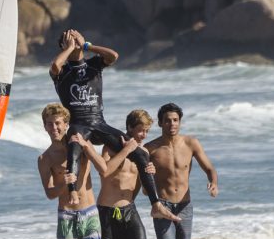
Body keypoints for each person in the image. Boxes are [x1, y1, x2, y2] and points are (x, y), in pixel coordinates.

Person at [50, 29, 179, 222]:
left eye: (77, 35)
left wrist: (87, 46)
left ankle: (156, 205)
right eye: (70, 37)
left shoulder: (94, 64)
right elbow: (55, 65)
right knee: (74, 145)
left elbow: (113, 56)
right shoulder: (62, 72)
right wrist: (69, 48)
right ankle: (73, 191)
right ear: (63, 45)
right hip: (79, 123)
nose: (75, 38)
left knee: (139, 153)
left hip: (99, 122)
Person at [144, 103, 218, 239]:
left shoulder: (191, 143)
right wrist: (147, 174)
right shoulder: (150, 149)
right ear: (160, 123)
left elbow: (209, 168)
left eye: (175, 120)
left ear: (180, 122)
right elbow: (141, 186)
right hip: (163, 206)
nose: (171, 124)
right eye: (167, 120)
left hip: (185, 205)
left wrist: (213, 183)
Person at [37, 102, 107, 239]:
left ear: (66, 124)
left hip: (89, 212)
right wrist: (63, 184)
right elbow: (49, 193)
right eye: (49, 124)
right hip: (66, 215)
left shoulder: (78, 144)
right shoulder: (45, 158)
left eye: (58, 123)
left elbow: (102, 168)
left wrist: (86, 146)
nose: (54, 127)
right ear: (45, 127)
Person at [91, 110, 161, 239]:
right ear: (129, 128)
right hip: (107, 210)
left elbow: (144, 191)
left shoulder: (143, 153)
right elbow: (105, 171)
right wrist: (127, 150)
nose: (143, 135)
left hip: (129, 209)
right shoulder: (110, 147)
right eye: (140, 130)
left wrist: (151, 173)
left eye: (147, 131)